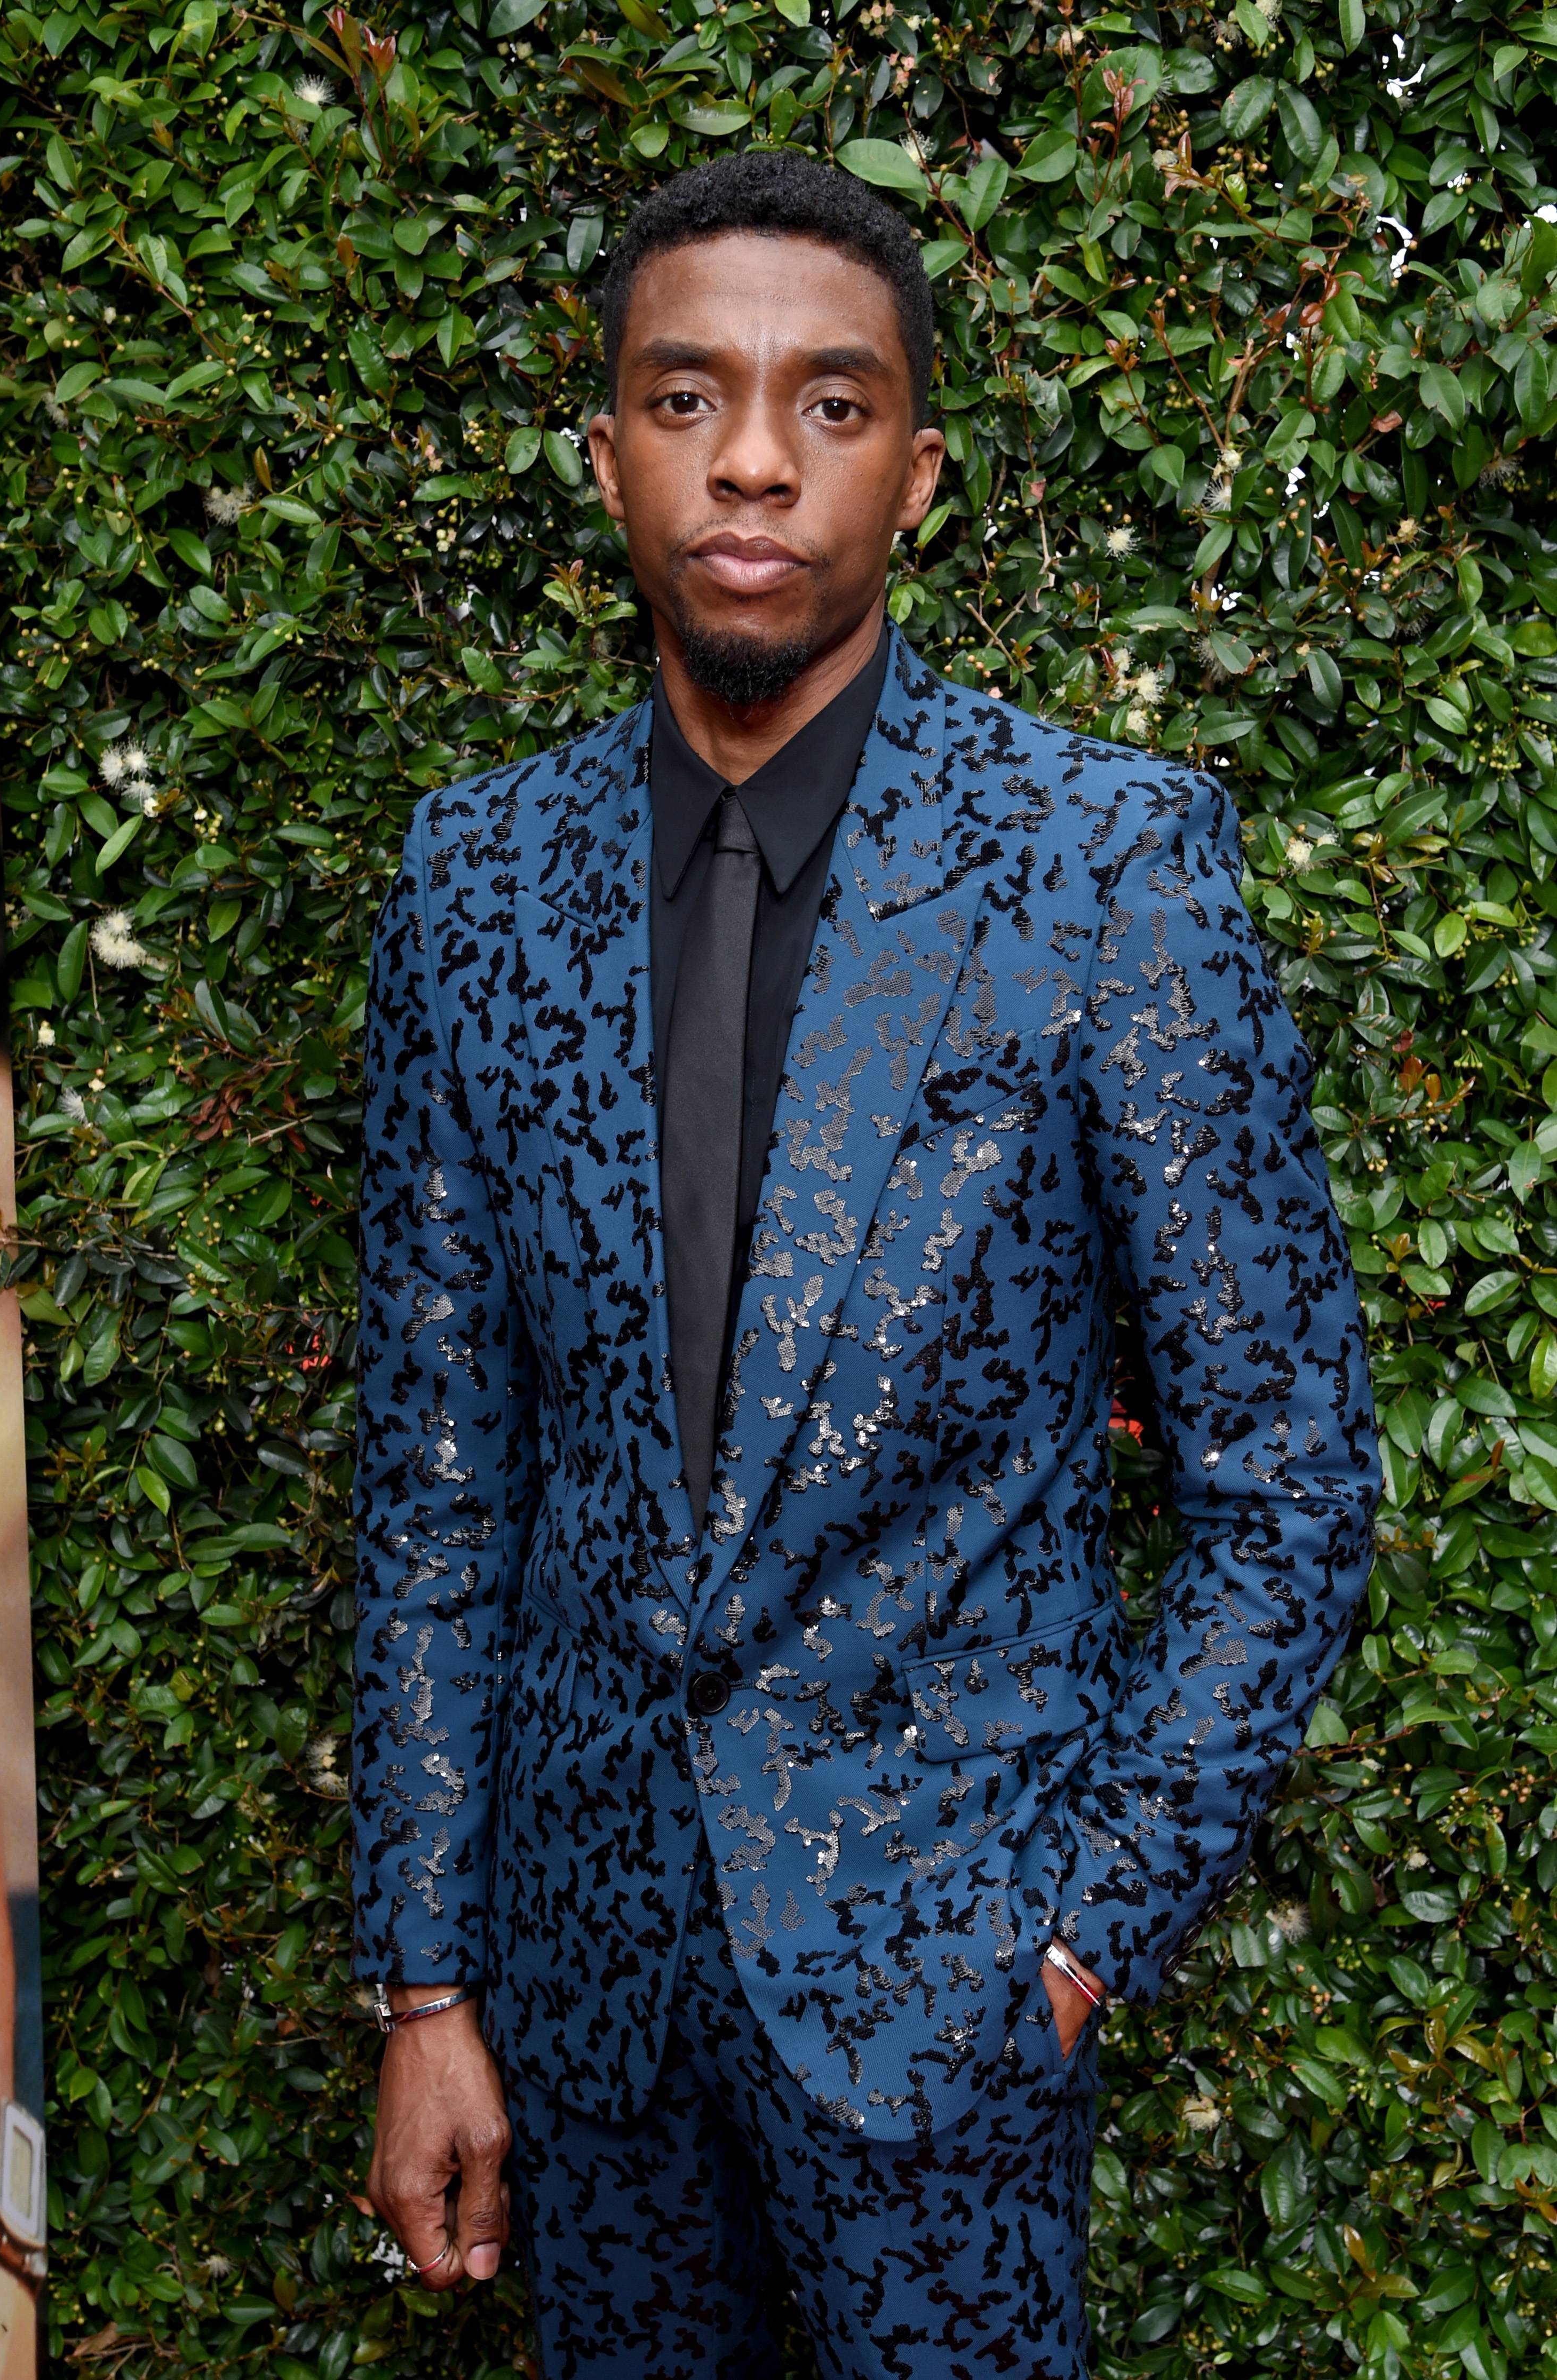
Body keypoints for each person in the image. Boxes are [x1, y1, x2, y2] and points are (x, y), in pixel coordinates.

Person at [352, 150, 1376, 2379]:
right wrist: (425, 1982)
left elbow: (1285, 1471)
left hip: (954, 2004)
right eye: (686, 391)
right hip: (584, 2007)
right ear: (603, 441)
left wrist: (1082, 1926)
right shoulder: (468, 882)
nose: (748, 454)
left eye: (827, 405)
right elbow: (442, 1474)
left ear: (917, 472)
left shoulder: (1109, 867)